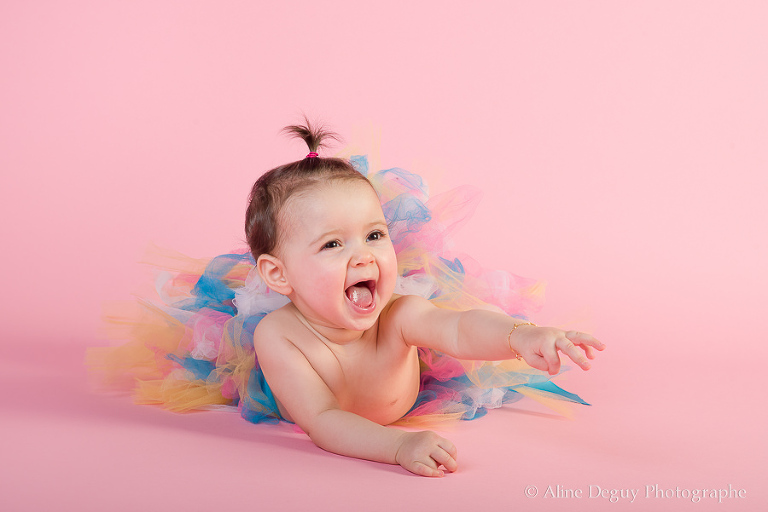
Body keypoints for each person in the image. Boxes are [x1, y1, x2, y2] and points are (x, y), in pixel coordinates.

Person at [87, 120, 605, 478]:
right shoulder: (281, 336)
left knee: (453, 325)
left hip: (404, 397)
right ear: (278, 274)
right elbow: (324, 420)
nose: (363, 256)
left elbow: (460, 328)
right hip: (338, 416)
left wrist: (523, 336)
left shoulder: (397, 312)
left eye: (374, 235)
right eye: (333, 244)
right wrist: (398, 446)